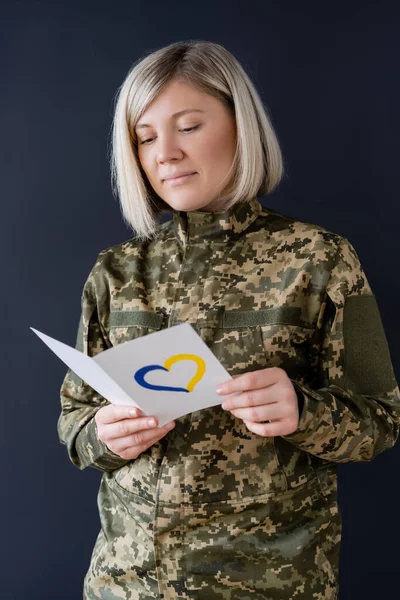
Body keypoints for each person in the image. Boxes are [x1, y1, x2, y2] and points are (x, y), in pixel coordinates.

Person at [57, 40, 400, 600]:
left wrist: (301, 411)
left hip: (273, 583)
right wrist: (102, 433)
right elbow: (73, 424)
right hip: (128, 584)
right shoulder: (115, 271)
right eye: (145, 138)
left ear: (242, 127)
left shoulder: (320, 259)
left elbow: (381, 420)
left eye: (188, 126)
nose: (164, 152)